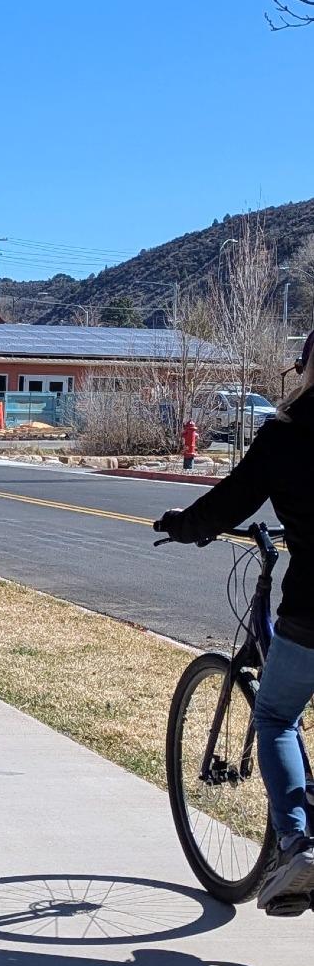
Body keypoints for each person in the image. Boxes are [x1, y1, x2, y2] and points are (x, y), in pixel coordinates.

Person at [155, 329, 314, 914]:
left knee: (274, 714)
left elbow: (228, 503)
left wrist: (182, 524)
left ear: (303, 366)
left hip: (311, 611)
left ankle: (298, 845)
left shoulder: (287, 433)